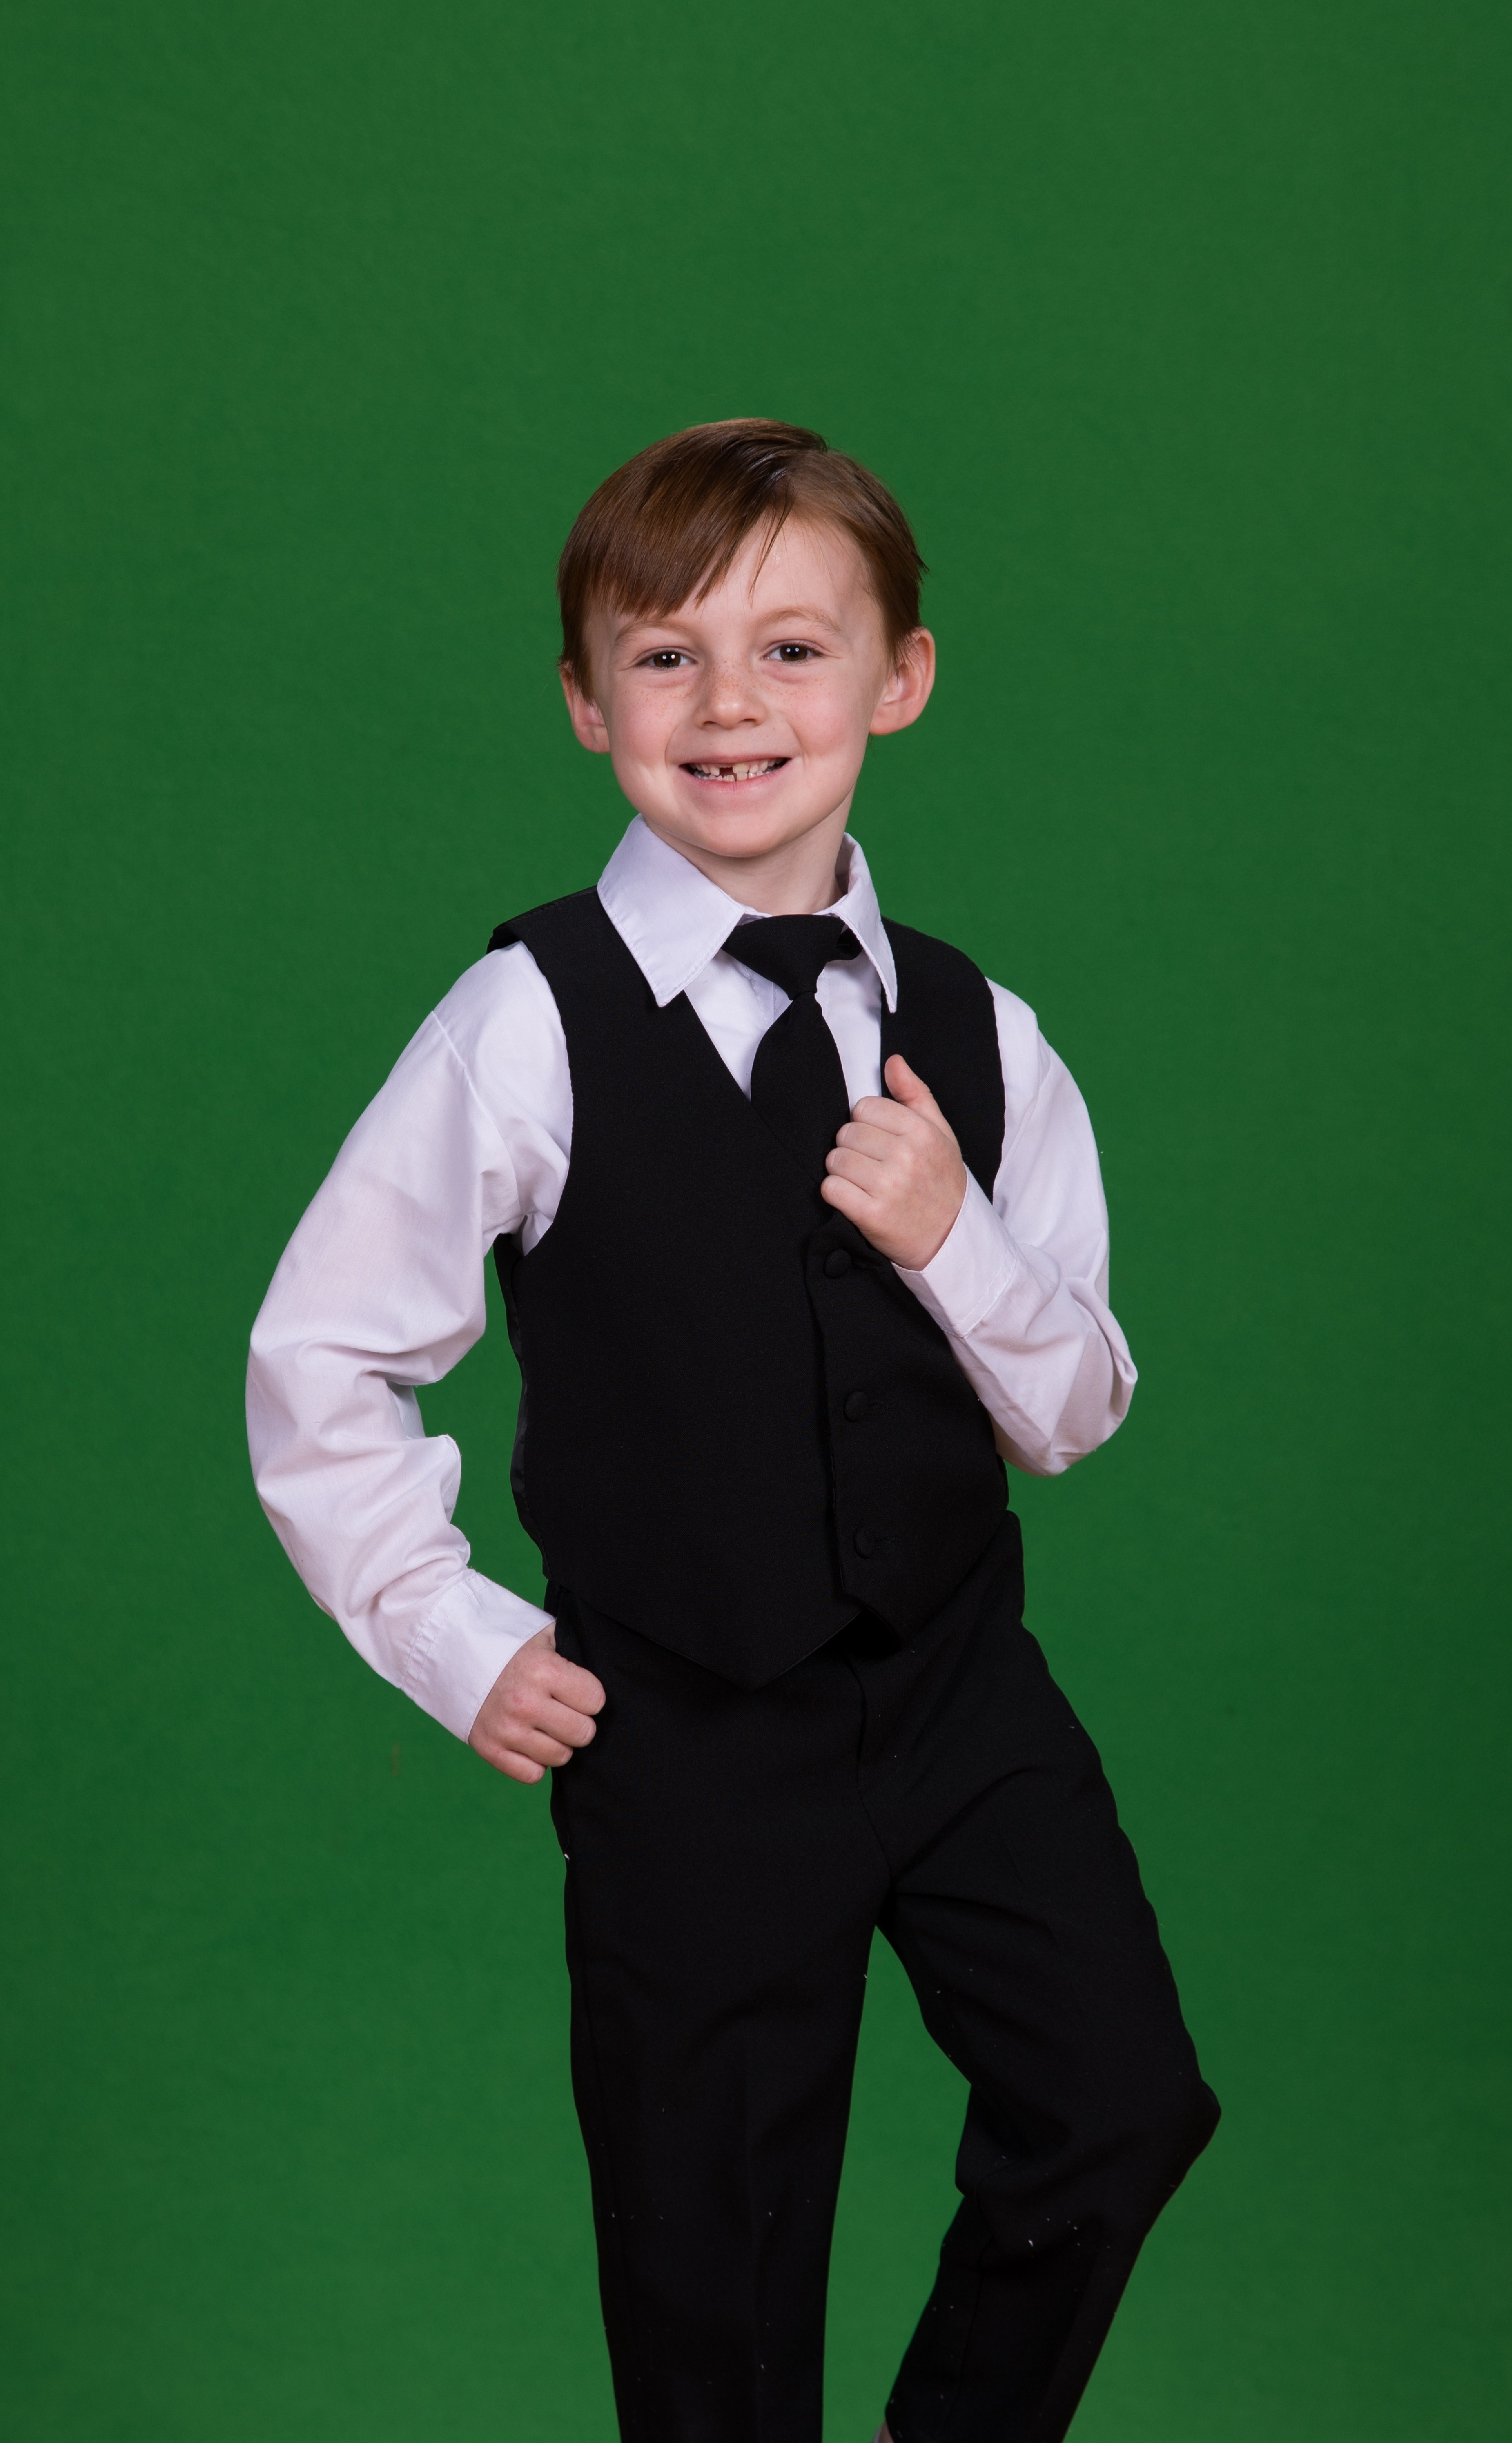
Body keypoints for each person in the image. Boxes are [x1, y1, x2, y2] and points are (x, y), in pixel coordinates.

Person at [246, 419, 1219, 2443]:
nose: (729, 705)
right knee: (720, 2280)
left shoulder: (981, 1030)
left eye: (792, 649)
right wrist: (451, 1632)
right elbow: (323, 1356)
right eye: (666, 655)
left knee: (1118, 2100)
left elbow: (1074, 1412)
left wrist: (950, 1237)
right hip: (688, 1739)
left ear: (899, 679)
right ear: (586, 700)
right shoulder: (528, 1020)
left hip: (961, 1704)